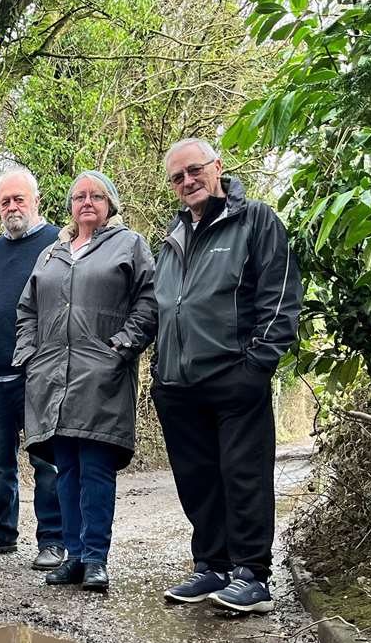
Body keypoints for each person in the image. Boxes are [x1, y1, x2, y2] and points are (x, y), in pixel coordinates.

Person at [151, 138, 304, 612]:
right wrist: (159, 370)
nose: (187, 182)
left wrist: (256, 365)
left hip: (234, 376)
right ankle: (211, 567)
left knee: (243, 475)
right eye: (177, 177)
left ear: (217, 167)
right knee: (198, 480)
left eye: (194, 170)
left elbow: (279, 298)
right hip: (177, 382)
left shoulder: (256, 221)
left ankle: (253, 576)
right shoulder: (173, 237)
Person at [17, 171, 157, 593]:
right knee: (66, 470)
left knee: (96, 470)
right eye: (79, 196)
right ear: (70, 205)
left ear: (110, 203)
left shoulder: (129, 245)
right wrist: (29, 354)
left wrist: (122, 346)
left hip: (103, 376)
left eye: (97, 196)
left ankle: (96, 558)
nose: (87, 202)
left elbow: (149, 302)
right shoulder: (52, 253)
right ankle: (73, 557)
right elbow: (27, 310)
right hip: (52, 379)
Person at [0, 168, 65, 568]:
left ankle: (52, 541)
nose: (12, 207)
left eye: (19, 199)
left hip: (36, 376)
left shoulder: (55, 243)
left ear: (36, 201)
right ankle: (1, 531)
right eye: (5, 201)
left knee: (45, 461)